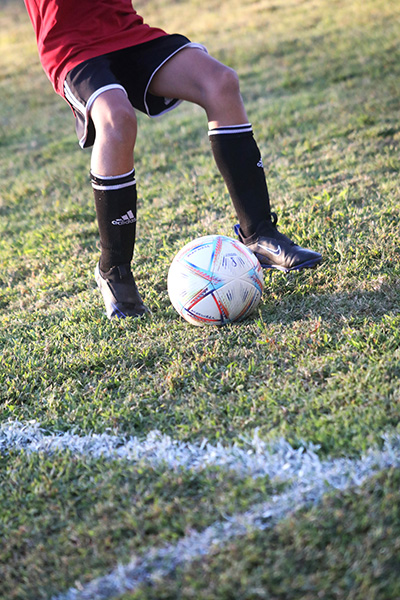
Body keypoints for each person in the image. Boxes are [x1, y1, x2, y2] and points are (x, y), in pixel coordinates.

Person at [23, 0, 322, 319]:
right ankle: (114, 271)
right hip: (71, 44)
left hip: (124, 28)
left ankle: (260, 235)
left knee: (220, 82)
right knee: (116, 118)